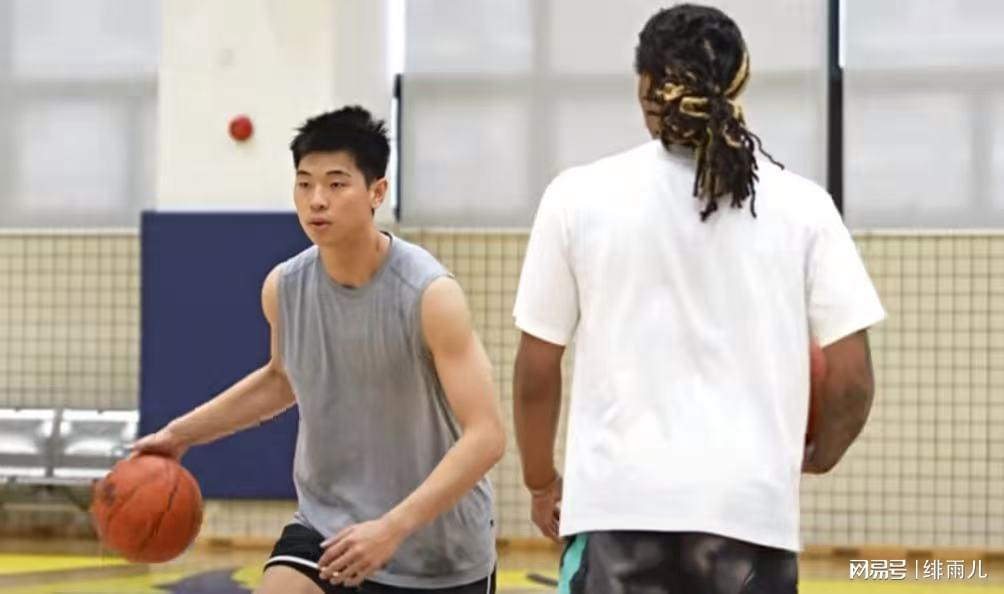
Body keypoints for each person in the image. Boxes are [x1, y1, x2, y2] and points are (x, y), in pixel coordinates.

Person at [511, 4, 885, 593]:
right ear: (738, 84)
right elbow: (853, 378)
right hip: (750, 515)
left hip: (616, 508)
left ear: (644, 87)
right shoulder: (805, 207)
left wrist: (541, 482)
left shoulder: (576, 197)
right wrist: (822, 452)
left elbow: (537, 370)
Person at [135, 106, 505, 594]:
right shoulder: (284, 287)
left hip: (435, 547)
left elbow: (487, 435)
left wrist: (391, 528)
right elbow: (281, 379)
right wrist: (179, 435)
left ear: (377, 192)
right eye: (304, 184)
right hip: (328, 524)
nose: (317, 200)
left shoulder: (429, 295)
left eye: (336, 184)